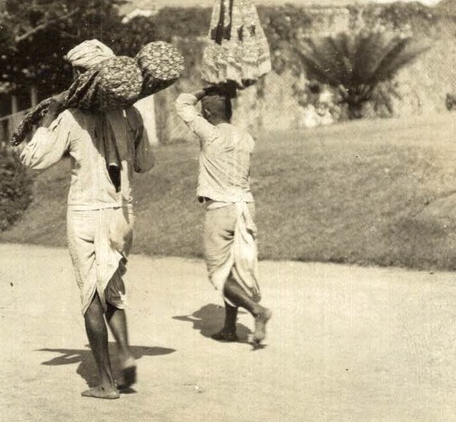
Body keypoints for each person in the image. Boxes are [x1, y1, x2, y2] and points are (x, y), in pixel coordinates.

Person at [16, 93, 155, 400]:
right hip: (122, 211)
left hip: (85, 212)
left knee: (91, 293)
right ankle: (126, 352)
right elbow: (145, 163)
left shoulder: (72, 116)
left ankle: (106, 382)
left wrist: (49, 117)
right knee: (113, 287)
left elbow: (32, 158)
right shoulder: (129, 113)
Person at [174, 87, 273, 347]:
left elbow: (182, 104)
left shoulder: (210, 134)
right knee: (236, 269)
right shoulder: (246, 137)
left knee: (218, 272)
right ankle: (230, 327)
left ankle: (257, 310)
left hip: (220, 209)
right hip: (244, 207)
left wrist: (204, 89)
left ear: (206, 113)